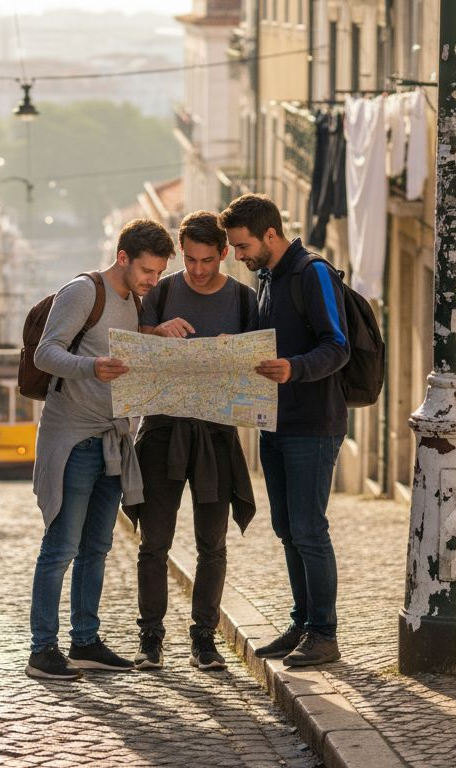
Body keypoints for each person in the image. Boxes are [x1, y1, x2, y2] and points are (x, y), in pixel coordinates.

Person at [26, 218, 173, 681]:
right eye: (148, 271)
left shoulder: (136, 302)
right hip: (74, 439)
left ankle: (85, 641)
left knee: (98, 547)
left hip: (114, 441)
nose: (153, 281)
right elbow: (45, 354)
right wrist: (91, 367)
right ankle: (42, 650)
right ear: (123, 257)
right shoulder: (83, 292)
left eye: (158, 273)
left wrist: (154, 336)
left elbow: (124, 351)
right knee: (61, 547)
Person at [219, 193, 350, 667]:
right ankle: (301, 623)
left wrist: (293, 369)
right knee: (287, 528)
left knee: (310, 530)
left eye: (242, 246)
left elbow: (337, 346)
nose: (239, 256)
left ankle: (325, 634)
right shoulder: (269, 279)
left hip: (313, 426)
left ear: (270, 234)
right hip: (274, 423)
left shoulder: (312, 272)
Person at [126, 211, 258, 673]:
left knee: (212, 544)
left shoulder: (244, 299)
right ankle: (150, 640)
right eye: (190, 260)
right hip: (162, 432)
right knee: (153, 543)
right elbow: (131, 344)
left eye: (208, 259)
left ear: (225, 254)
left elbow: (259, 363)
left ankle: (204, 640)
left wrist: (235, 350)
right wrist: (156, 333)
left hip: (217, 435)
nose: (198, 269)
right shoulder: (160, 292)